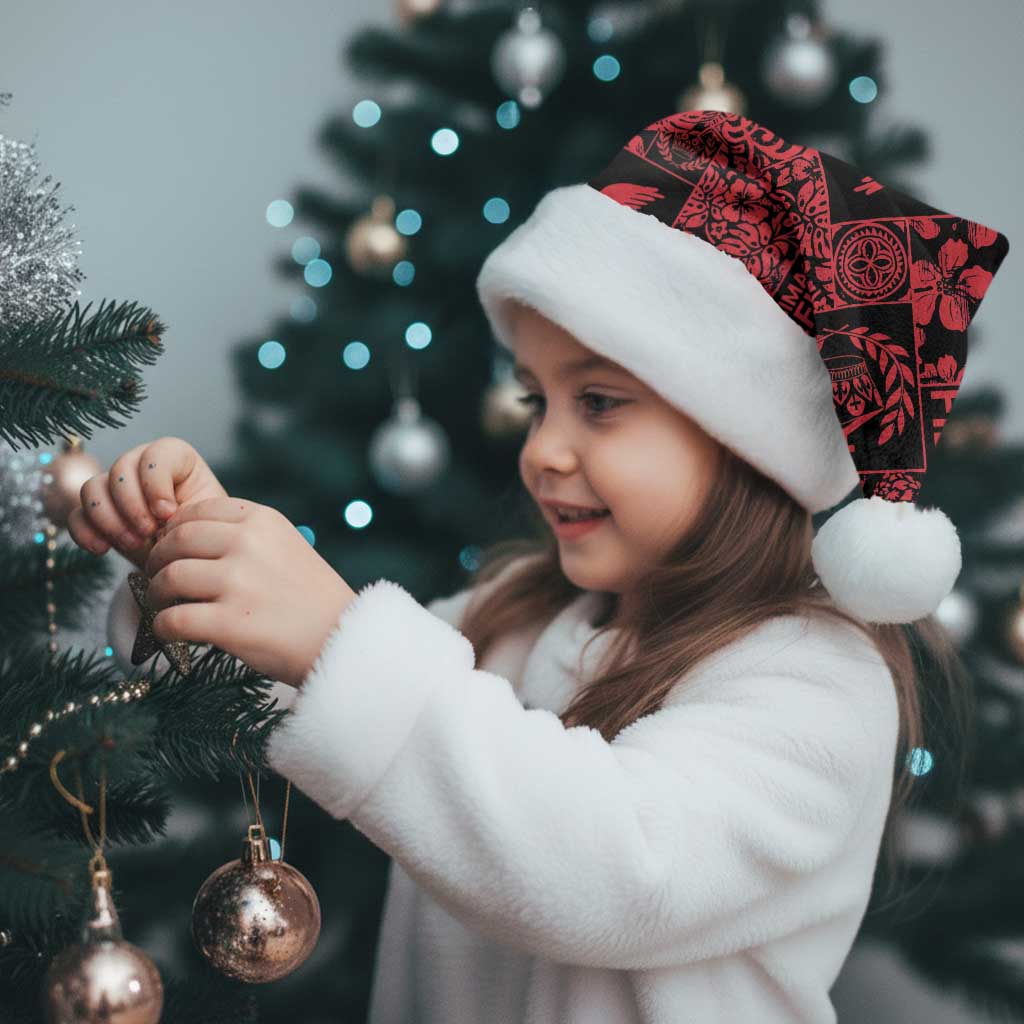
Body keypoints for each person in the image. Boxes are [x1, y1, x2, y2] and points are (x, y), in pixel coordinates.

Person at [74, 110, 1010, 1023]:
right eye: (536, 401)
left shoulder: (818, 683)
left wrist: (335, 635)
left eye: (598, 403)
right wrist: (191, 563)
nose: (543, 451)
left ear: (746, 442)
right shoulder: (515, 616)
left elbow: (615, 871)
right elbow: (305, 691)